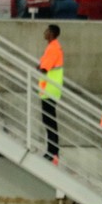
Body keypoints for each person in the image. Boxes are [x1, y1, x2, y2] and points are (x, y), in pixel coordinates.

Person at [38, 24, 64, 163]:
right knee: (48, 121)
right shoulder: (52, 47)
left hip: (50, 89)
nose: (44, 32)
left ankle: (53, 151)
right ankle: (52, 150)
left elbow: (43, 68)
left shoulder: (53, 48)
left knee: (49, 121)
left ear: (52, 34)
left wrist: (40, 68)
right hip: (48, 89)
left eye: (47, 30)